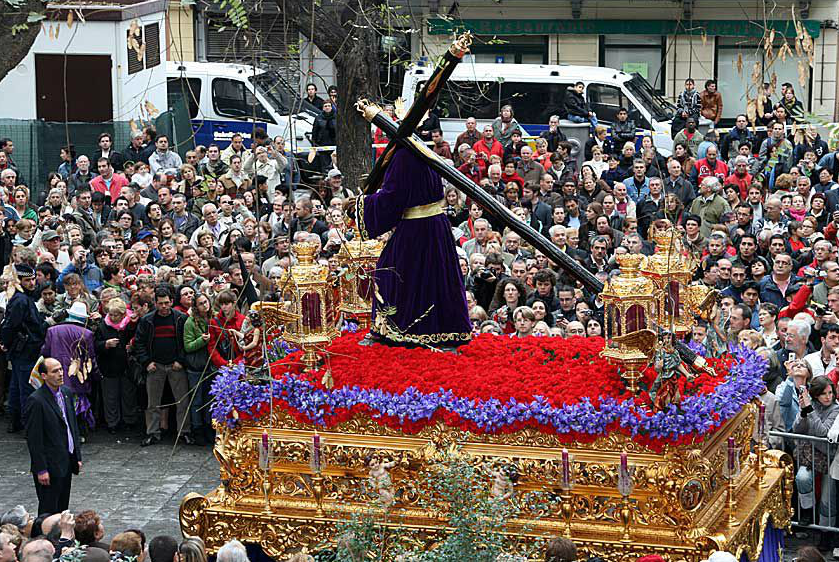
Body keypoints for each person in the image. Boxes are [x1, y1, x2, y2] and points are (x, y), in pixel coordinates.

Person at [350, 148, 471, 347]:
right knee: (437, 277)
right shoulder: (419, 149)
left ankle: (400, 329)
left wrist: (361, 204)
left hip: (416, 227)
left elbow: (393, 198)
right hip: (434, 225)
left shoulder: (403, 155)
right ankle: (443, 329)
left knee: (391, 274)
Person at [134, 286, 192, 446]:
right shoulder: (147, 320)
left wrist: (181, 360)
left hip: (176, 365)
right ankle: (153, 432)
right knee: (153, 403)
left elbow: (186, 341)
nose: (164, 307)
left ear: (172, 302)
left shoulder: (181, 318)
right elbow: (139, 343)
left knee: (182, 401)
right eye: (160, 304)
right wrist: (146, 362)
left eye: (166, 303)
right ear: (156, 303)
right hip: (155, 365)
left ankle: (184, 432)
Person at [25, 357, 82, 514]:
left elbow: (72, 427)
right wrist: (41, 469)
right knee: (48, 510)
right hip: (50, 465)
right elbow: (34, 439)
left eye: (61, 369)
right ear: (44, 376)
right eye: (55, 371)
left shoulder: (66, 393)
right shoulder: (36, 401)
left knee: (63, 508)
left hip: (66, 460)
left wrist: (76, 456)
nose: (60, 373)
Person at [1, 264, 46, 433]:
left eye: (33, 279)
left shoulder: (23, 298)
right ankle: (29, 426)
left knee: (17, 386)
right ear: (19, 281)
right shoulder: (20, 300)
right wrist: (6, 342)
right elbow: (10, 326)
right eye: (28, 280)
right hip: (25, 350)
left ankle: (17, 422)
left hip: (24, 349)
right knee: (25, 388)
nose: (32, 283)